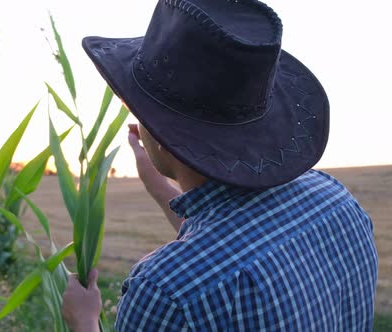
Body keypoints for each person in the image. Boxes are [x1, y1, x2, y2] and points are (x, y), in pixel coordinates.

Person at [62, 0, 378, 330]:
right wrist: (160, 187)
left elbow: (215, 257)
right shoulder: (336, 200)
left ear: (158, 133)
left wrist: (84, 321)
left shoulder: (166, 292)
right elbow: (233, 241)